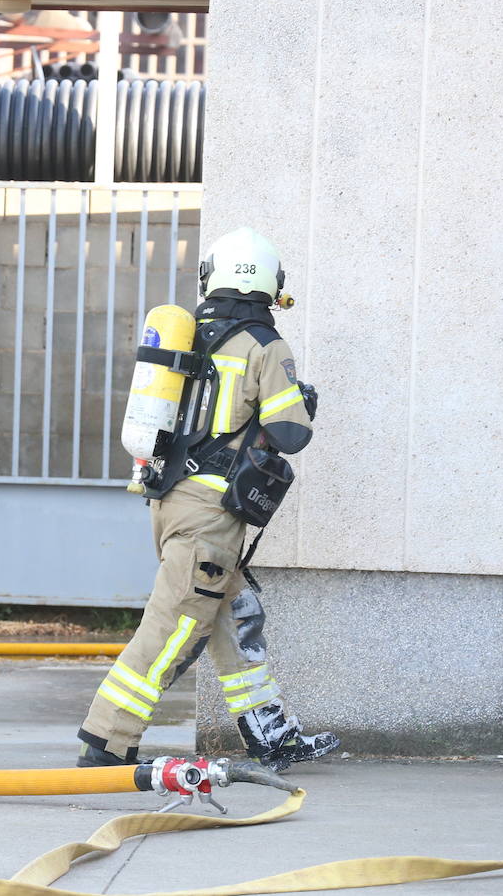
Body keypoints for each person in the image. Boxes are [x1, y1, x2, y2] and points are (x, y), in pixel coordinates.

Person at [76, 227, 338, 772]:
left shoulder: (190, 333)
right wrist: (302, 399)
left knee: (235, 613)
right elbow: (292, 433)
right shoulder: (267, 346)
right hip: (211, 517)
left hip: (172, 500)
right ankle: (107, 739)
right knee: (174, 626)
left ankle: (271, 733)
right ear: (270, 285)